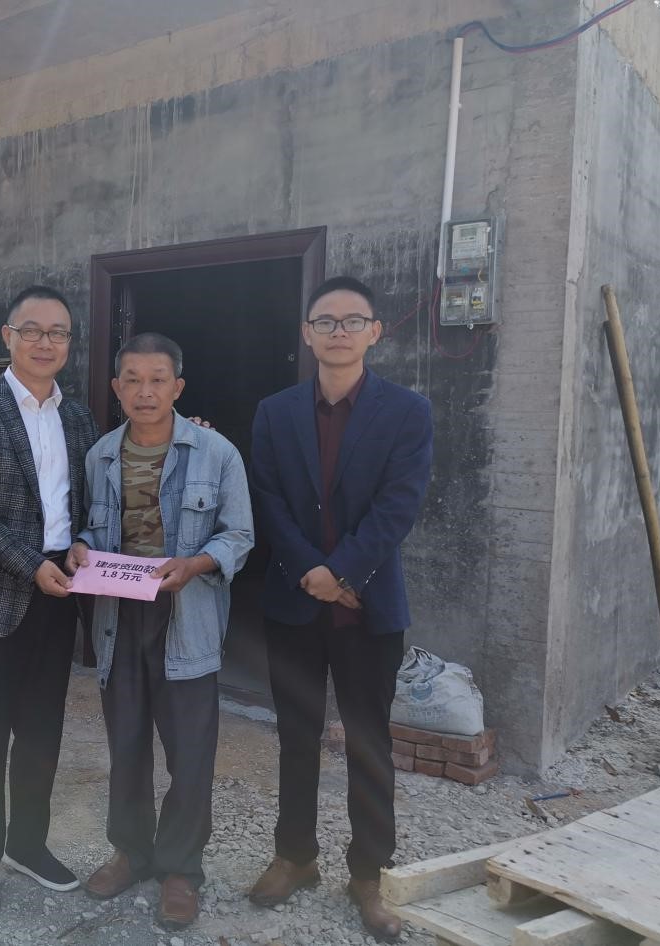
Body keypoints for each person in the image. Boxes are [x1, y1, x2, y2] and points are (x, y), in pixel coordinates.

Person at [247, 276, 433, 941]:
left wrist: (343, 571)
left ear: (374, 332)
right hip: (295, 604)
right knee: (295, 736)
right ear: (307, 333)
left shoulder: (407, 411)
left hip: (367, 607)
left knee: (368, 742)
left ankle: (368, 874)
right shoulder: (275, 411)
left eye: (353, 321)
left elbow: (398, 505)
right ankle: (294, 857)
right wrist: (313, 573)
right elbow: (266, 499)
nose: (338, 332)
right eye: (324, 321)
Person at [69, 333, 253, 930]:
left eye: (157, 380)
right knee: (126, 744)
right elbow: (90, 529)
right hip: (118, 618)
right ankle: (131, 852)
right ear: (116, 387)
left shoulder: (217, 453)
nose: (144, 391)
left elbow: (238, 535)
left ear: (178, 386)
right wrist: (81, 547)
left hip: (186, 617)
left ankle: (180, 869)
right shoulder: (100, 455)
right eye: (132, 379)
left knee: (190, 752)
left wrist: (196, 564)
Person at [0, 285, 98, 912]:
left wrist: (82, 543)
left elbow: (90, 500)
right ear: (8, 337)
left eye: (57, 332)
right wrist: (31, 564)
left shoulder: (78, 418)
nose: (44, 342)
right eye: (32, 330)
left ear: (68, 343)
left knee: (41, 735)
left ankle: (28, 844)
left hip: (59, 597)